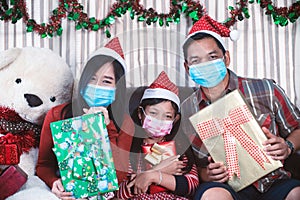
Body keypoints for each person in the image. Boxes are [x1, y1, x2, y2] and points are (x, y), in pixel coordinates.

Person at [181, 15, 300, 200]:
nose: (205, 65)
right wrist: (208, 174)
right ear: (187, 68)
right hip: (228, 188)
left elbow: (297, 127)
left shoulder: (266, 89)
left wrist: (288, 146)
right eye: (196, 61)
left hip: (275, 182)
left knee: (296, 194)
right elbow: (194, 166)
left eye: (212, 57)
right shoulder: (187, 109)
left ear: (226, 58)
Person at [36, 37, 134, 200]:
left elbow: (119, 175)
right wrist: (54, 183)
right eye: (92, 79)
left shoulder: (125, 123)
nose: (97, 86)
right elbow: (44, 165)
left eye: (107, 81)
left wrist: (104, 130)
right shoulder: (57, 115)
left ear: (117, 88)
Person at [116, 71, 199, 199]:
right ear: (140, 113)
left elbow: (192, 184)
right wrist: (159, 169)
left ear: (175, 119)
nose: (159, 121)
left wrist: (153, 176)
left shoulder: (180, 145)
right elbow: (119, 194)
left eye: (167, 116)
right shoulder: (129, 145)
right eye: (153, 113)